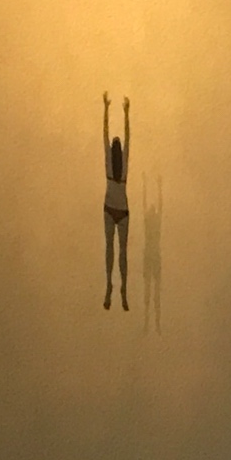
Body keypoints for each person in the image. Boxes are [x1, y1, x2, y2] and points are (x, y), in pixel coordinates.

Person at [101, 92, 131, 311]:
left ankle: (121, 290)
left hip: (117, 210)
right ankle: (111, 287)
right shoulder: (113, 168)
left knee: (119, 251)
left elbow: (124, 138)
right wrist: (107, 109)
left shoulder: (114, 169)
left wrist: (125, 112)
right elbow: (107, 135)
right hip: (114, 209)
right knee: (113, 250)